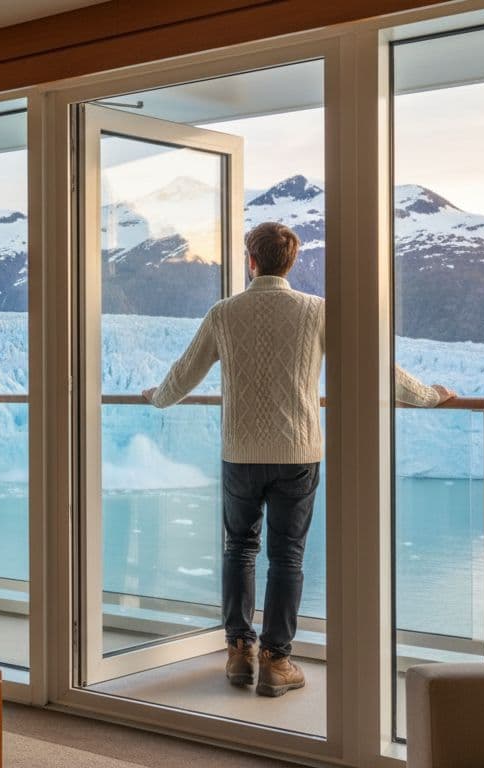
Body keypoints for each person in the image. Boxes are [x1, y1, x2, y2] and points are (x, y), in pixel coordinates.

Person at [141, 221, 454, 698]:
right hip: (297, 454)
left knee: (238, 548)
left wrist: (156, 397)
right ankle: (275, 662)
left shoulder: (223, 313)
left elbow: (185, 374)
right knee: (286, 556)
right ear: (291, 262)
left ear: (251, 260)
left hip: (240, 453)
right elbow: (373, 363)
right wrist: (428, 396)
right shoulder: (315, 311)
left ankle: (238, 652)